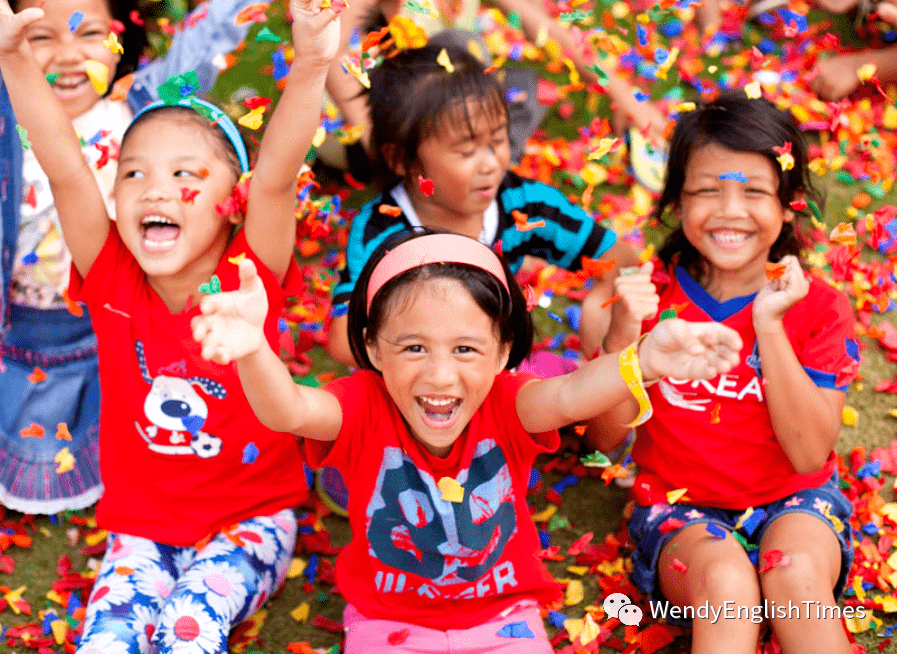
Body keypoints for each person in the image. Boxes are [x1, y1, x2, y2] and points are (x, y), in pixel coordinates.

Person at [0, 0, 341, 650]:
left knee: (189, 627)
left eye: (185, 175)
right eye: (132, 173)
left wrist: (311, 64)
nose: (155, 189)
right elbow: (63, 164)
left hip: (251, 520)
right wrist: (11, 55)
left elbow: (278, 176)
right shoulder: (112, 277)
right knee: (107, 638)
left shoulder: (250, 271)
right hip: (141, 527)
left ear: (233, 203)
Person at [191, 228, 742, 653]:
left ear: (503, 353)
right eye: (413, 348)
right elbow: (287, 409)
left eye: (465, 350)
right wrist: (253, 350)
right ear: (373, 349)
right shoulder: (359, 406)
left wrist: (642, 359)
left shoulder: (510, 402)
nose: (439, 376)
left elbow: (574, 393)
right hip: (389, 625)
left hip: (505, 620)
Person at [0, 0, 268, 516]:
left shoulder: (145, 109)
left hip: (102, 350)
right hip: (0, 338)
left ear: (121, 39)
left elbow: (203, 42)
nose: (68, 56)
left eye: (91, 35)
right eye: (41, 37)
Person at [596, 90, 860, 653]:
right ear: (678, 200)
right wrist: (622, 333)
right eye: (707, 190)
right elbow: (606, 437)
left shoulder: (820, 307)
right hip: (680, 511)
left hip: (796, 500)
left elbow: (810, 456)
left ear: (789, 204)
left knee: (793, 576)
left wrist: (768, 326)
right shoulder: (651, 295)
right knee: (727, 588)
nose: (730, 211)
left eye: (754, 192)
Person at [326, 43, 643, 368]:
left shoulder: (524, 205)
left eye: (497, 141)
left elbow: (620, 258)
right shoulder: (382, 231)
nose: (491, 164)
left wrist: (597, 305)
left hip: (499, 372)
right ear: (400, 159)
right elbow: (342, 338)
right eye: (466, 151)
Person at [323, 0, 669, 174]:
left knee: (523, 90)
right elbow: (333, 60)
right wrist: (382, 144)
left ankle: (475, 172)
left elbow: (549, 31)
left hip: (444, 108)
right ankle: (462, 181)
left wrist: (627, 98)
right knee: (461, 46)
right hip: (372, 126)